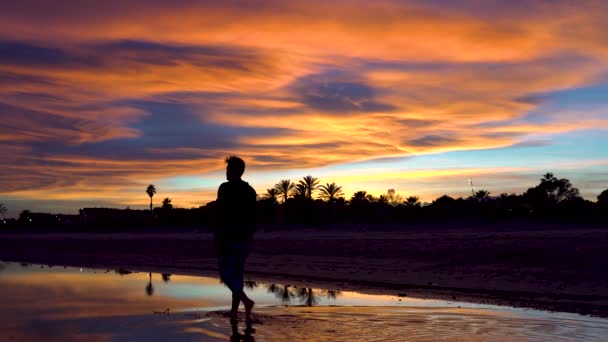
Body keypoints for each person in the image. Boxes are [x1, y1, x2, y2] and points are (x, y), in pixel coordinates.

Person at [215, 156, 257, 322]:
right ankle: (234, 312)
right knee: (237, 275)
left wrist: (217, 236)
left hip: (228, 237)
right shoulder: (250, 191)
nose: (225, 172)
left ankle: (246, 302)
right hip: (244, 237)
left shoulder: (224, 189)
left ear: (232, 171)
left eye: (227, 169)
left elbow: (221, 214)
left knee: (226, 275)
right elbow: (252, 217)